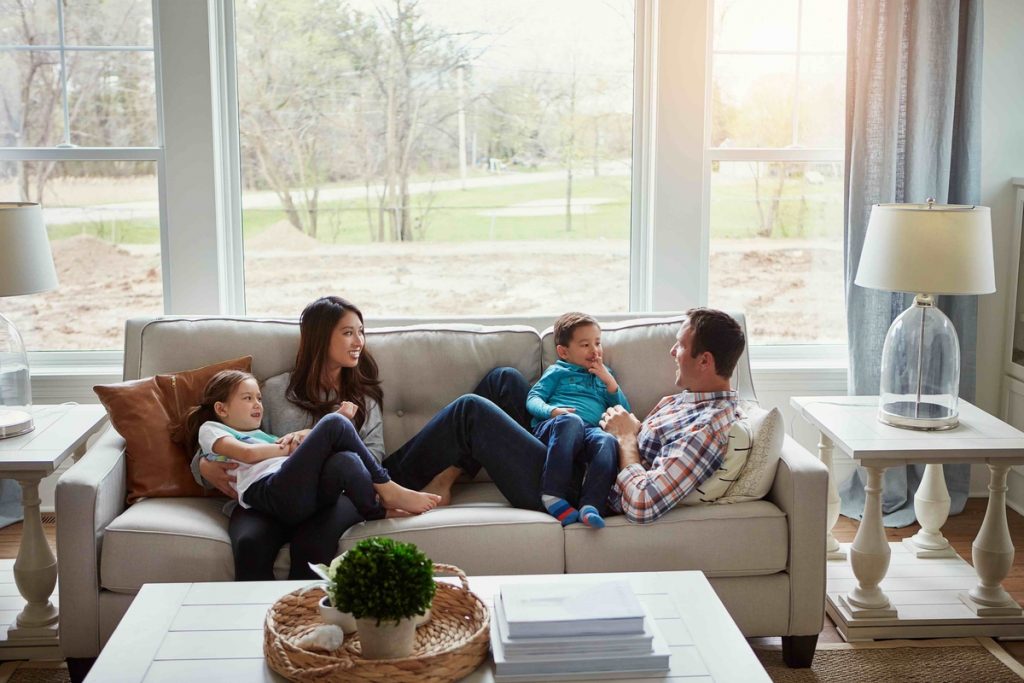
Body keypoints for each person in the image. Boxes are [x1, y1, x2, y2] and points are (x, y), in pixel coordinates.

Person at [182, 369, 438, 526]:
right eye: (248, 398)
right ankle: (387, 487)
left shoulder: (263, 435)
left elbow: (296, 448)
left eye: (258, 398)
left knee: (346, 459)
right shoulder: (212, 429)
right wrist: (299, 444)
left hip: (296, 496)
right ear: (221, 408)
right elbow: (247, 454)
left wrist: (312, 436)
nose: (258, 404)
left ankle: (377, 511)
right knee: (335, 423)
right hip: (267, 492)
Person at [599, 308, 746, 524]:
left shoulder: (708, 428)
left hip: (584, 488)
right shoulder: (690, 400)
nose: (672, 351)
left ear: (704, 361)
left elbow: (643, 503)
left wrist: (626, 437)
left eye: (681, 345)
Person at [526, 312, 628, 528]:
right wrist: (552, 411)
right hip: (555, 428)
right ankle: (552, 494)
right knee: (571, 421)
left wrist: (610, 382)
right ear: (563, 352)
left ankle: (591, 505)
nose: (594, 350)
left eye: (597, 343)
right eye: (585, 345)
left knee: (608, 441)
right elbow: (533, 398)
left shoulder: (604, 375)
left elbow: (624, 412)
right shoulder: (558, 371)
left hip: (589, 432)